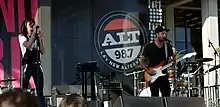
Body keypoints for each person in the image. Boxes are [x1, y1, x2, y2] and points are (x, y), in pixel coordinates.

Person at [139, 26, 175, 97]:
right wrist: (148, 71)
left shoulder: (167, 46)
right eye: (162, 34)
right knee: (155, 96)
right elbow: (141, 61)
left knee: (166, 95)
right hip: (153, 75)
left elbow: (171, 60)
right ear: (157, 34)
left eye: (165, 34)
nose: (164, 35)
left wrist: (173, 58)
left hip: (163, 75)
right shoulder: (149, 47)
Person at [18, 18, 45, 106]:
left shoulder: (36, 38)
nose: (32, 27)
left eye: (33, 25)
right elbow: (28, 45)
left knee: (40, 90)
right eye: (30, 25)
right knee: (24, 89)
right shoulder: (22, 37)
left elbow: (42, 51)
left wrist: (40, 38)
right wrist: (33, 35)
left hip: (37, 65)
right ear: (25, 26)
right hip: (27, 65)